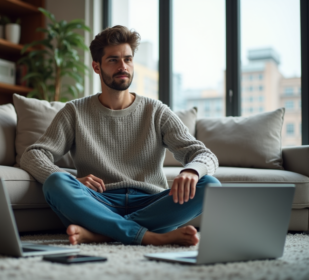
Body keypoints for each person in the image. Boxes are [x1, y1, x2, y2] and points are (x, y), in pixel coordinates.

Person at [21, 25, 221, 246]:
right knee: (56, 182)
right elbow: (33, 155)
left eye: (128, 59)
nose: (123, 66)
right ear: (97, 67)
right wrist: (71, 179)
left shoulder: (156, 111)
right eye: (113, 60)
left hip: (150, 202)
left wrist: (192, 170)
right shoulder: (74, 111)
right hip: (98, 202)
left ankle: (103, 233)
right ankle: (149, 236)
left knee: (210, 184)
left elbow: (204, 154)